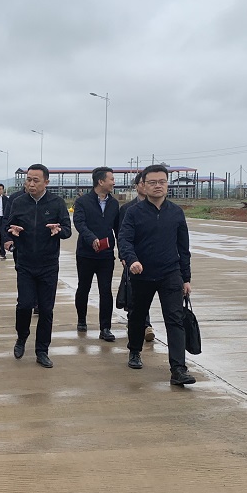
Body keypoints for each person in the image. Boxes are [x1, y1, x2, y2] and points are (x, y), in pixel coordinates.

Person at [118, 164, 196, 385]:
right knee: (137, 315)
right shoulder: (134, 212)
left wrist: (186, 278)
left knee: (175, 319)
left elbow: (183, 248)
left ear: (167, 184)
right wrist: (132, 260)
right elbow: (124, 240)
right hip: (142, 273)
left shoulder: (176, 213)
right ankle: (135, 351)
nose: (158, 186)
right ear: (143, 185)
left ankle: (178, 369)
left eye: (162, 182)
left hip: (170, 274)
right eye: (152, 182)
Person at [3, 164, 71, 368]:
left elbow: (67, 230)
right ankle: (21, 336)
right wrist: (12, 233)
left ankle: (42, 350)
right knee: (24, 305)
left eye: (35, 180)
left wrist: (58, 231)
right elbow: (8, 226)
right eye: (28, 180)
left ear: (46, 182)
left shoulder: (57, 203)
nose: (31, 184)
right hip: (25, 263)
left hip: (48, 265)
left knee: (46, 309)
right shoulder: (18, 202)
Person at [73, 167, 119, 342]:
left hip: (106, 254)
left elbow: (119, 229)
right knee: (83, 288)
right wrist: (91, 238)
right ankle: (81, 319)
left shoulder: (114, 204)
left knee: (105, 290)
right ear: (101, 181)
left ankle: (105, 328)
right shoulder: (83, 202)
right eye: (111, 179)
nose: (113, 182)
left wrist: (124, 253)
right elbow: (79, 223)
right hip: (86, 254)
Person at [119, 172, 154, 343]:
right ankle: (142, 325)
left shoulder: (162, 209)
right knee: (135, 294)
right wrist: (124, 256)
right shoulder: (127, 209)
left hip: (153, 259)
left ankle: (145, 324)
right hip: (133, 258)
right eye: (143, 183)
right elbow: (121, 234)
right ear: (138, 185)